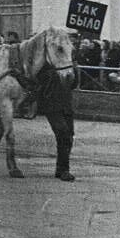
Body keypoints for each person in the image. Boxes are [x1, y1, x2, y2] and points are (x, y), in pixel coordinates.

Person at [34, 53, 78, 182]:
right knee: (63, 133)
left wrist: (75, 70)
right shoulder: (47, 65)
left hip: (66, 105)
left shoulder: (69, 65)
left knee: (69, 136)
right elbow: (40, 81)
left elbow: (74, 84)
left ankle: (61, 169)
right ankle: (64, 170)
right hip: (52, 105)